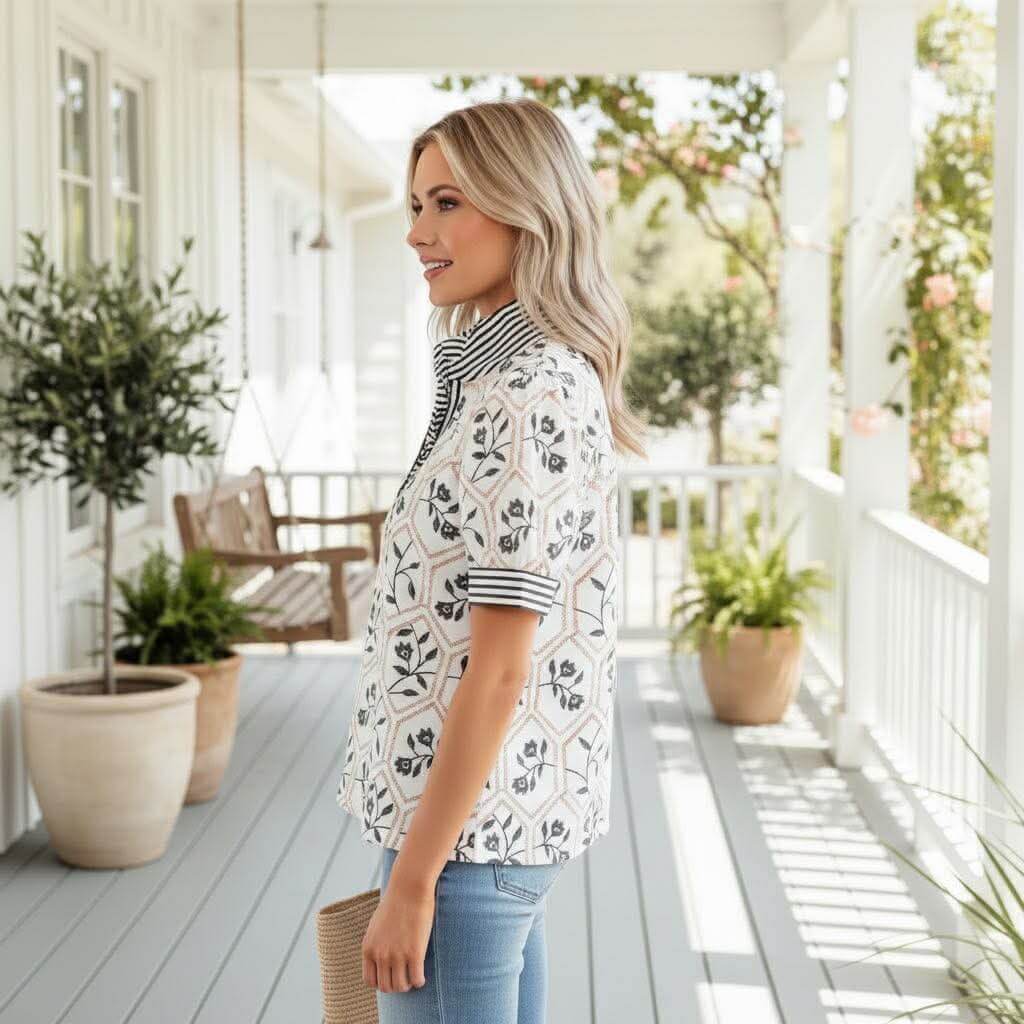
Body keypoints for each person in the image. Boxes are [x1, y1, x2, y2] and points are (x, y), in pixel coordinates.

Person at [334, 96, 648, 1024]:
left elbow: (502, 666)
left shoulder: (525, 395)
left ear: (525, 208)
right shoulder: (509, 376)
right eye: (416, 205)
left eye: (446, 204)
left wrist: (413, 882)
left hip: (465, 846)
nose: (417, 232)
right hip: (477, 832)